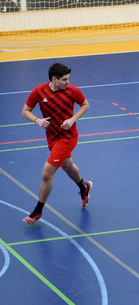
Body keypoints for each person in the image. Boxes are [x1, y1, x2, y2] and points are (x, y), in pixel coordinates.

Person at [21, 62, 91, 224]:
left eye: (68, 79)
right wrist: (37, 120)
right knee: (67, 166)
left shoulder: (72, 91)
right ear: (54, 79)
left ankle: (37, 211)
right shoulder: (39, 91)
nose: (68, 82)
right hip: (52, 137)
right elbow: (25, 111)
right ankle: (84, 187)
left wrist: (72, 119)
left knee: (47, 174)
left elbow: (85, 104)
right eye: (64, 79)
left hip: (68, 137)